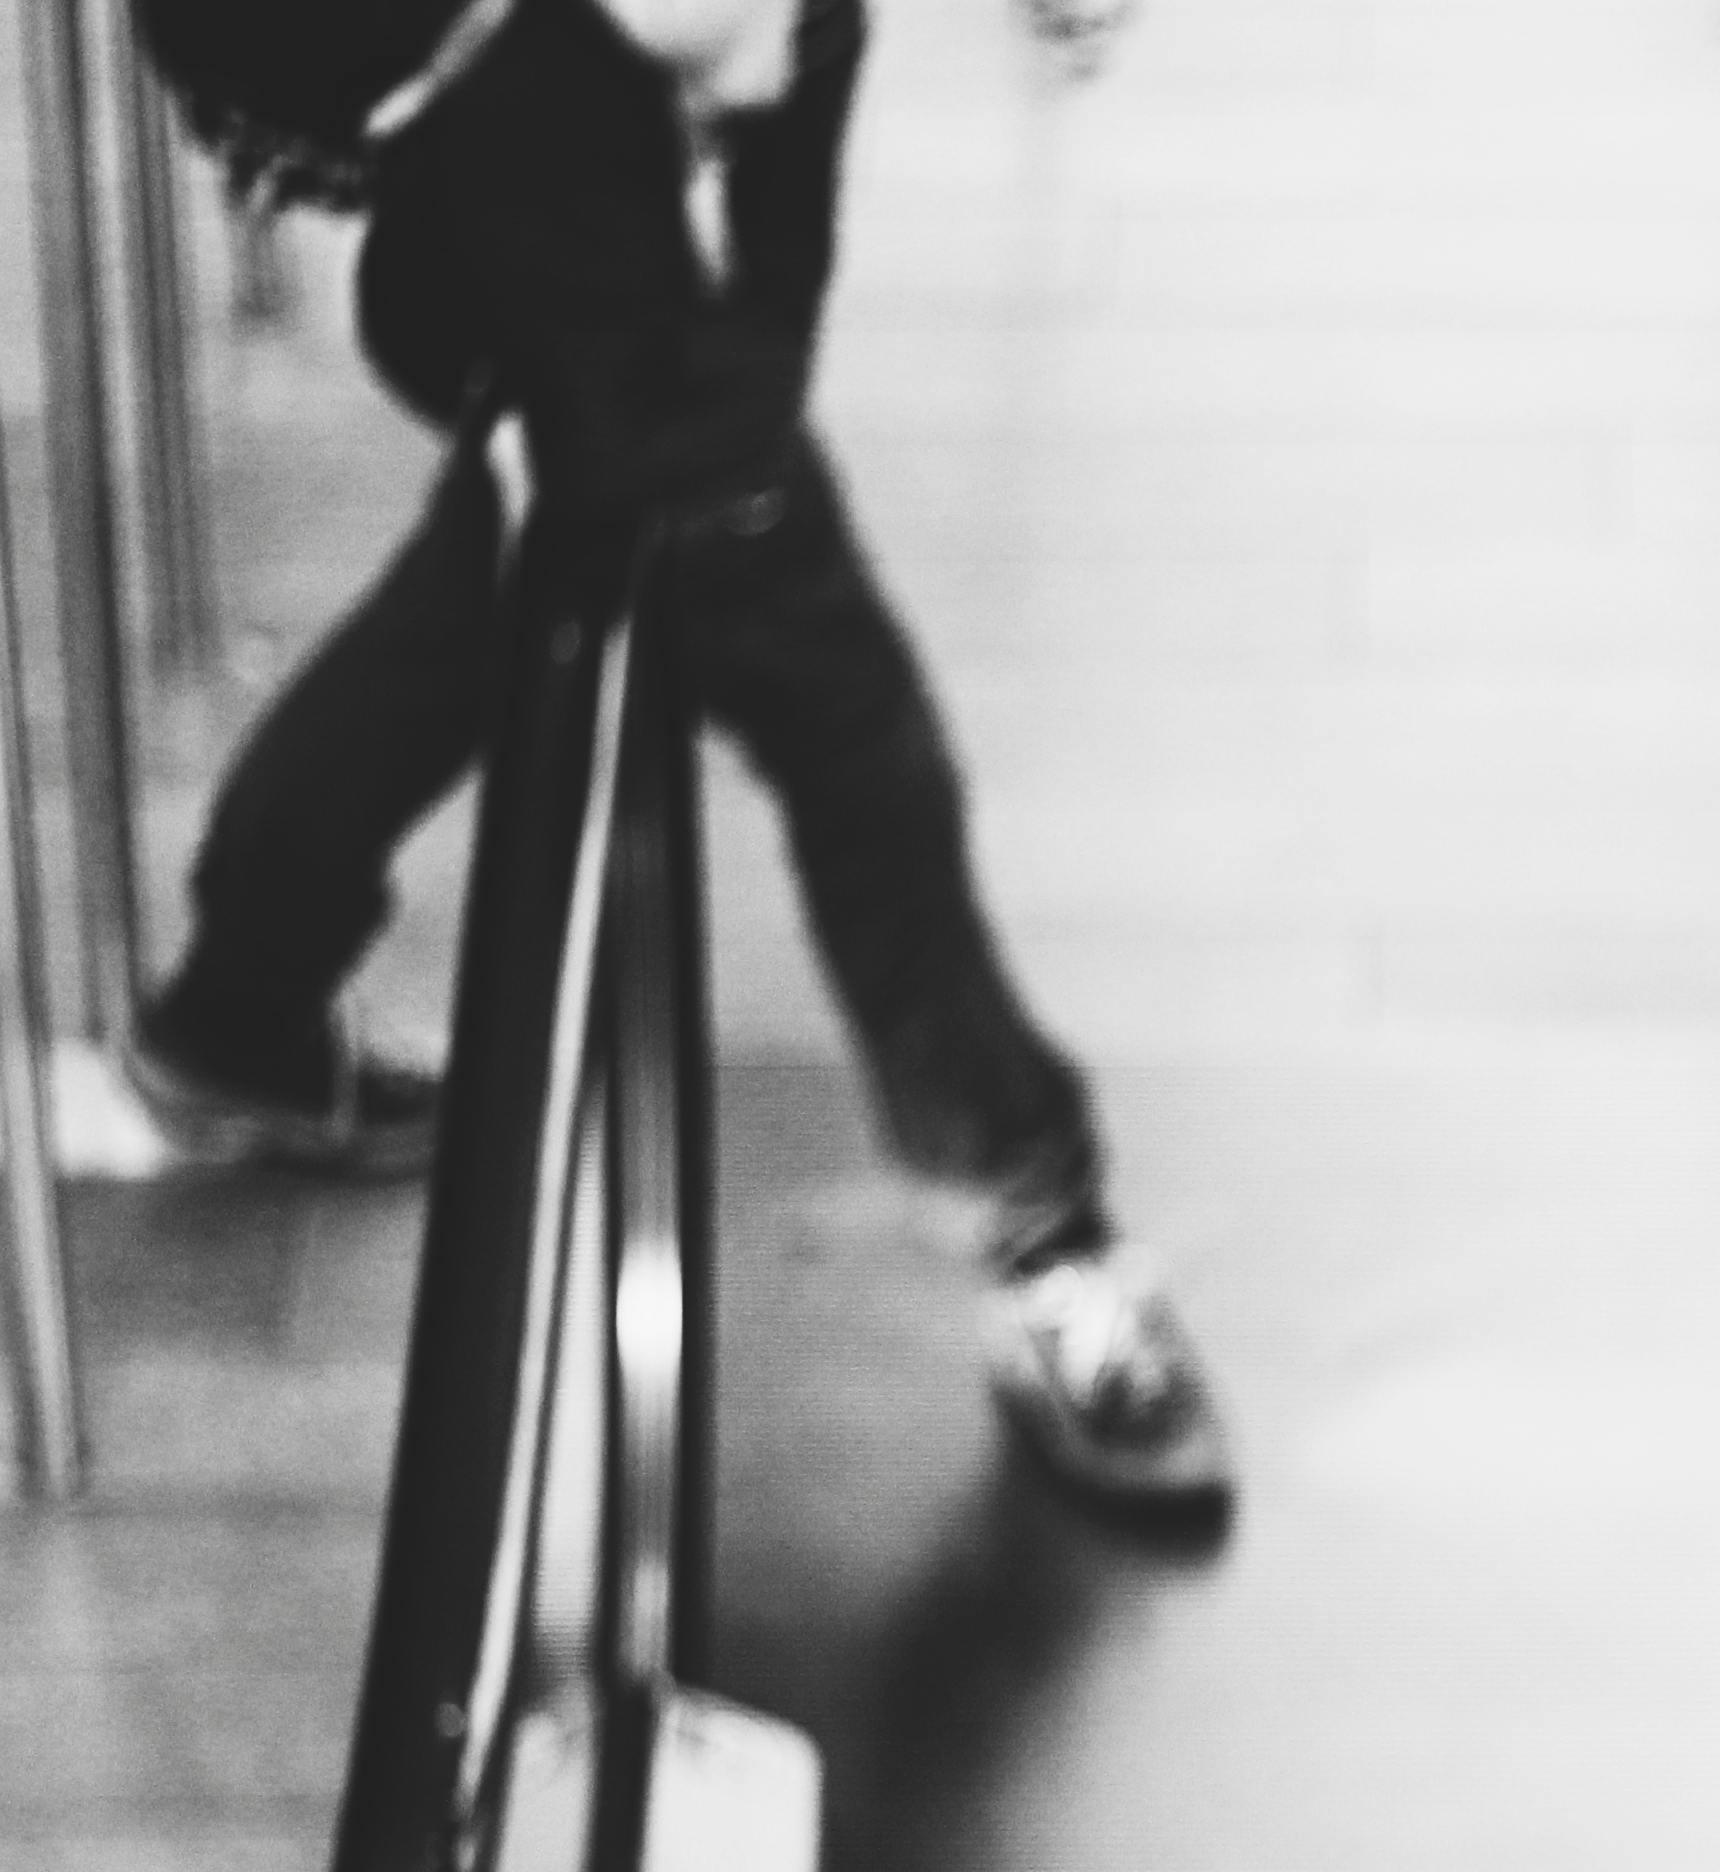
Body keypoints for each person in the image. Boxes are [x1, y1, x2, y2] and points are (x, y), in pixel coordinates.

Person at [130, 0, 1231, 1518]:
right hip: (515, 92)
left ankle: (244, 991)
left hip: (548, 100)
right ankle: (1039, 1216)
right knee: (822, 679)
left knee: (600, 505)